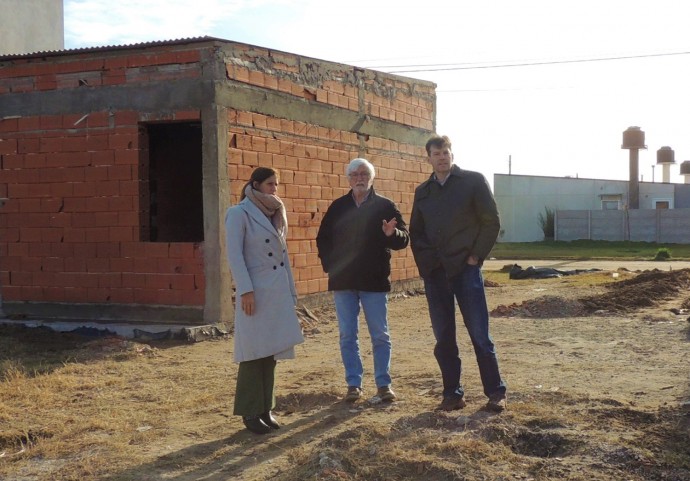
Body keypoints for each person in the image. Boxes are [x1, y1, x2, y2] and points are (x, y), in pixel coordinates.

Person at [409, 135, 507, 412]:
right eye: (436, 153)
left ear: (452, 154)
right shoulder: (423, 191)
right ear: (428, 157)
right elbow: (417, 232)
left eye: (445, 152)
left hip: (466, 270)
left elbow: (491, 222)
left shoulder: (472, 182)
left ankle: (496, 392)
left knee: (479, 334)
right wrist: (427, 266)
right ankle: (453, 394)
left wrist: (476, 256)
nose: (442, 157)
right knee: (444, 337)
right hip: (437, 274)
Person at [316, 158, 409, 403]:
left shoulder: (385, 206)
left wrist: (393, 233)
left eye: (364, 174)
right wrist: (330, 267)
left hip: (374, 281)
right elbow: (323, 239)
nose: (360, 178)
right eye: (355, 174)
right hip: (343, 282)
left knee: (380, 335)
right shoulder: (338, 207)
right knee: (348, 335)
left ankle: (383, 384)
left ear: (371, 177)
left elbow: (404, 239)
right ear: (348, 179)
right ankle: (353, 384)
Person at [224, 167, 305, 434]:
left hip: (276, 290)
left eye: (277, 184)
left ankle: (265, 408)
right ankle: (249, 411)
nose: (275, 189)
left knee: (271, 351)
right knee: (253, 351)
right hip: (255, 291)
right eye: (270, 184)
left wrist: (291, 292)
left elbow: (283, 258)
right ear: (256, 184)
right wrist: (244, 290)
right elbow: (234, 255)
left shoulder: (276, 212)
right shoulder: (239, 213)